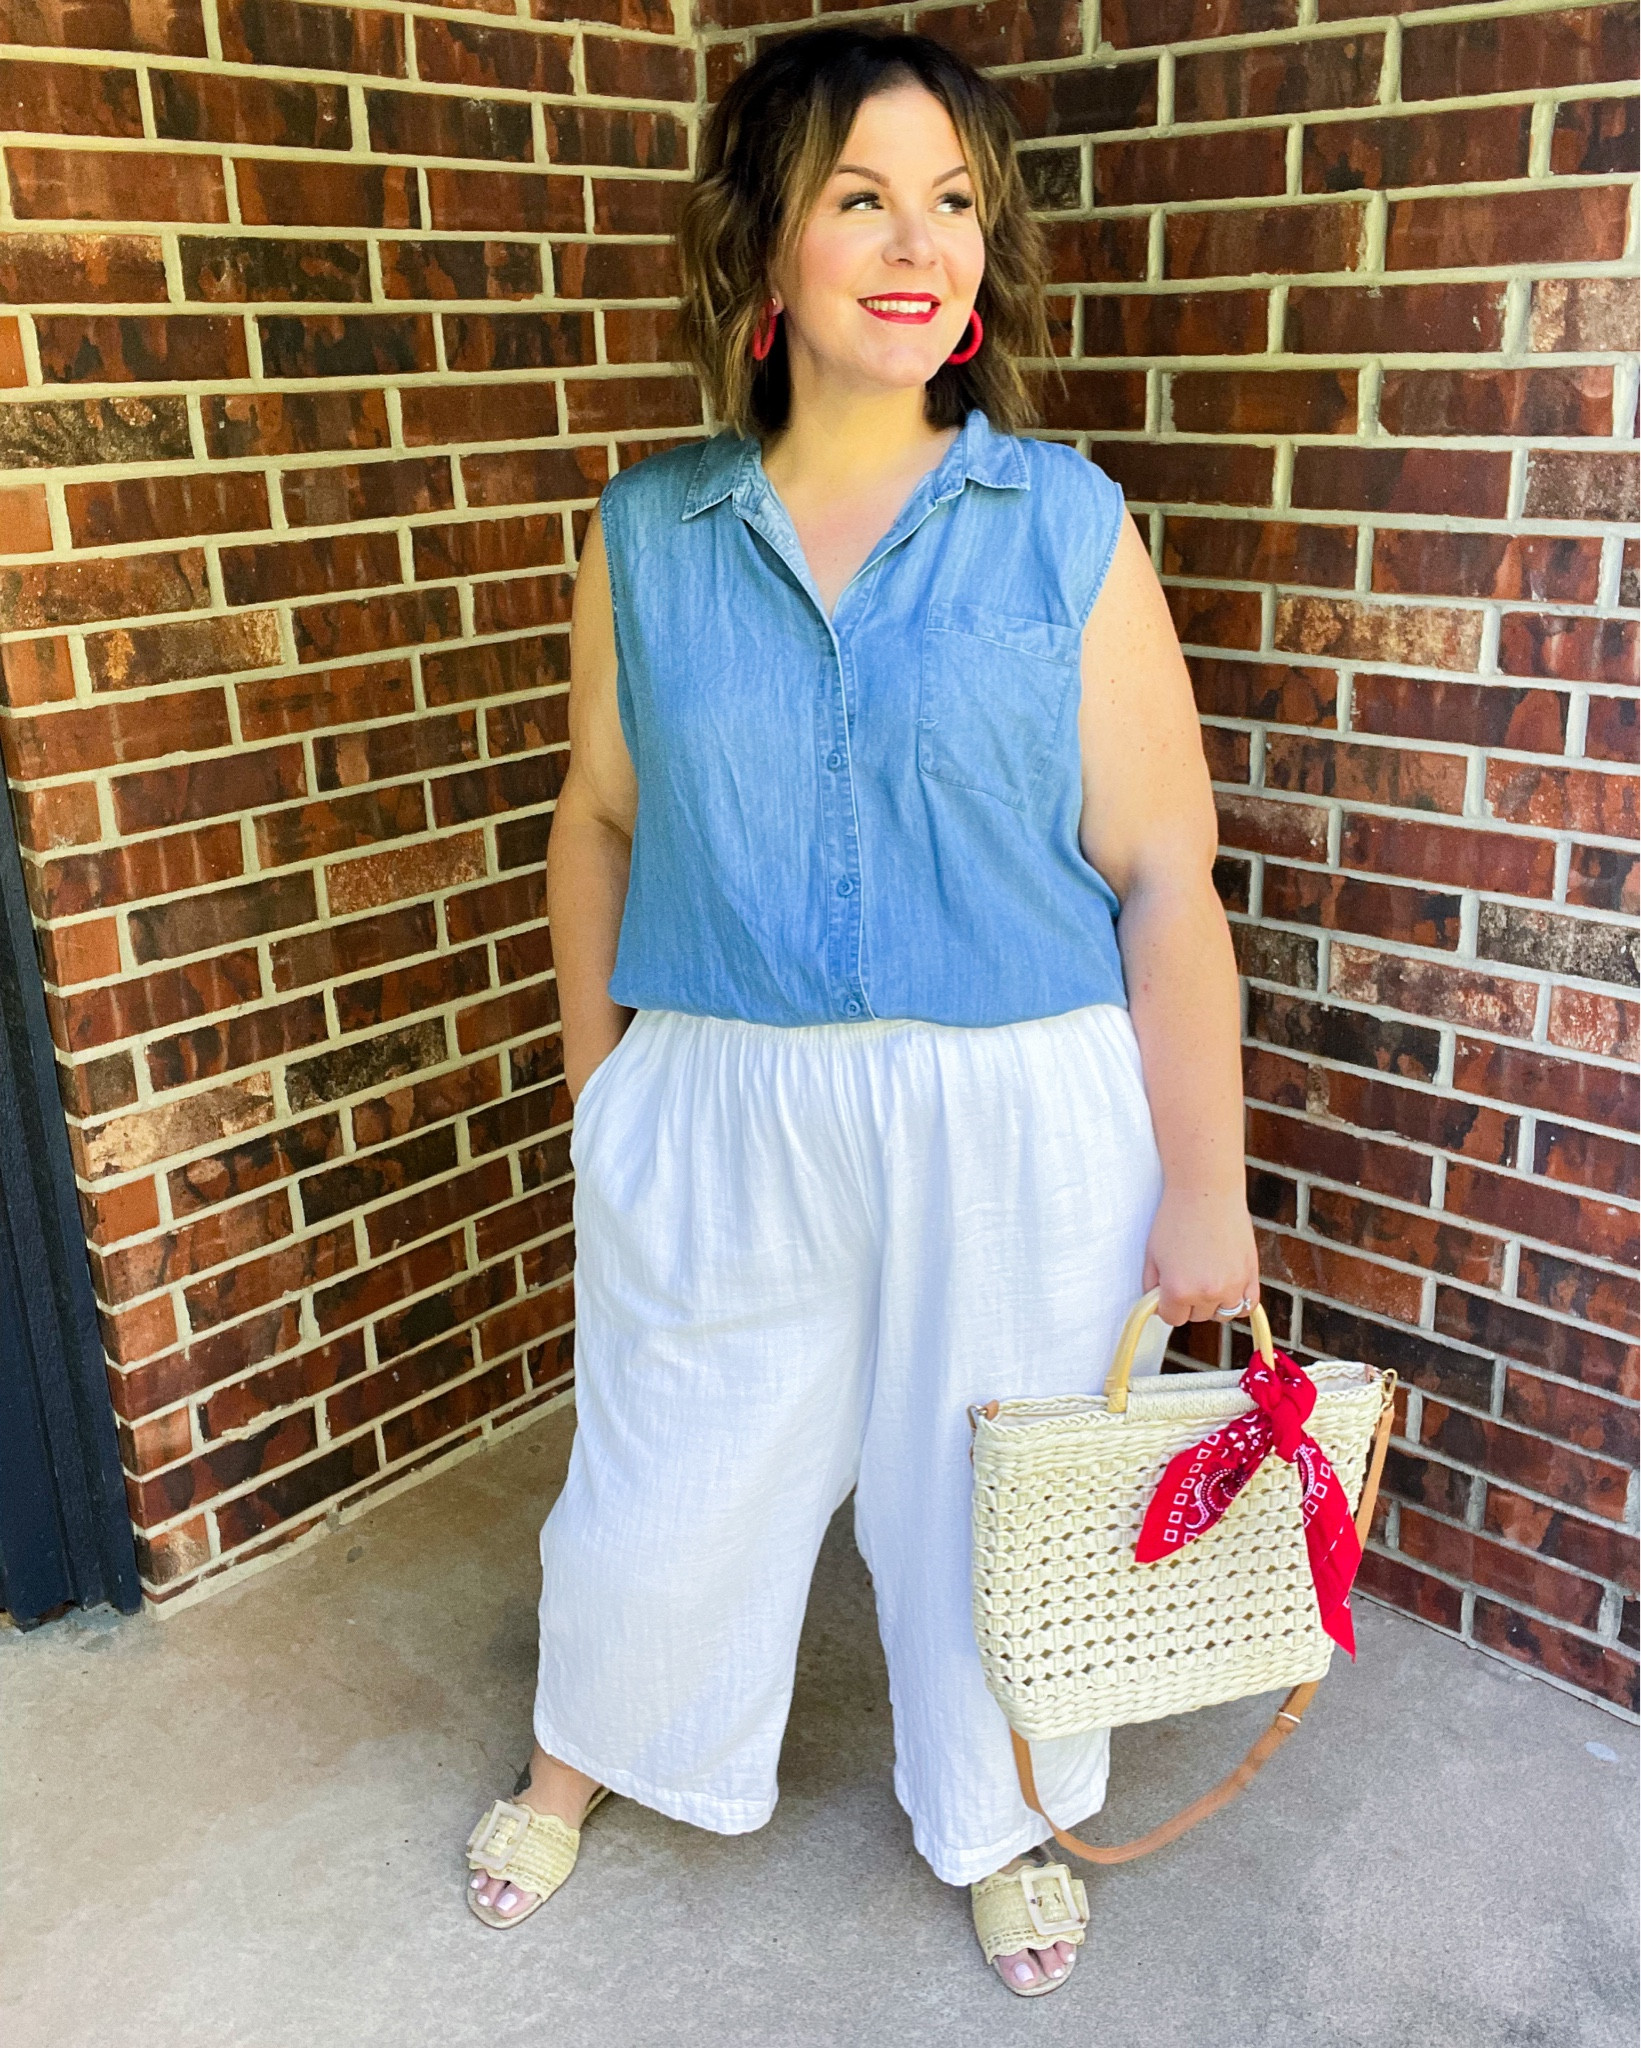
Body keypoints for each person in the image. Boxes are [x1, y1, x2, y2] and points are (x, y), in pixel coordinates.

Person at [461, 25, 1259, 1998]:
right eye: (858, 196)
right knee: (668, 1457)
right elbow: (595, 820)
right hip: (719, 1095)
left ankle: (1001, 1810)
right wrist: (603, 1096)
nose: (919, 244)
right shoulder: (645, 533)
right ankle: (588, 1753)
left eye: (953, 201)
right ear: (764, 247)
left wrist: (1206, 1194)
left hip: (1017, 1110)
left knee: (979, 1495)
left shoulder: (1062, 522)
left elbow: (1163, 871)